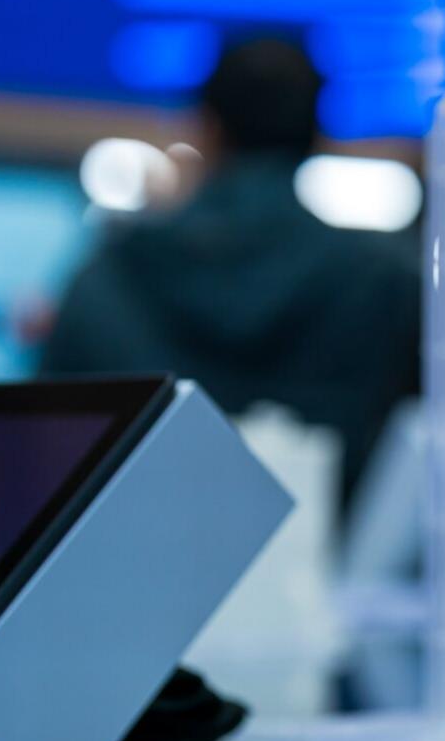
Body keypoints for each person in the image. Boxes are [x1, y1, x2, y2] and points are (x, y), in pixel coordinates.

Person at [41, 38, 420, 511]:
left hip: (135, 551)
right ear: (317, 136)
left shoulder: (108, 274)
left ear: (207, 129)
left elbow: (45, 448)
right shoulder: (386, 284)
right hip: (335, 554)